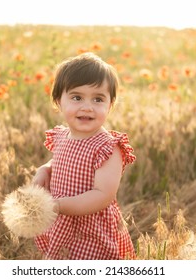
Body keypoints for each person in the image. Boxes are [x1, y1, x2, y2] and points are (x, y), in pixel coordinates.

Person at [32, 52, 136, 260]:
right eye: (77, 97)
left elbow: (103, 195)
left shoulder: (108, 147)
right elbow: (65, 160)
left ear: (110, 104)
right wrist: (46, 168)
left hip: (91, 229)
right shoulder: (62, 136)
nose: (87, 107)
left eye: (98, 99)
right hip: (63, 221)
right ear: (58, 102)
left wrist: (59, 206)